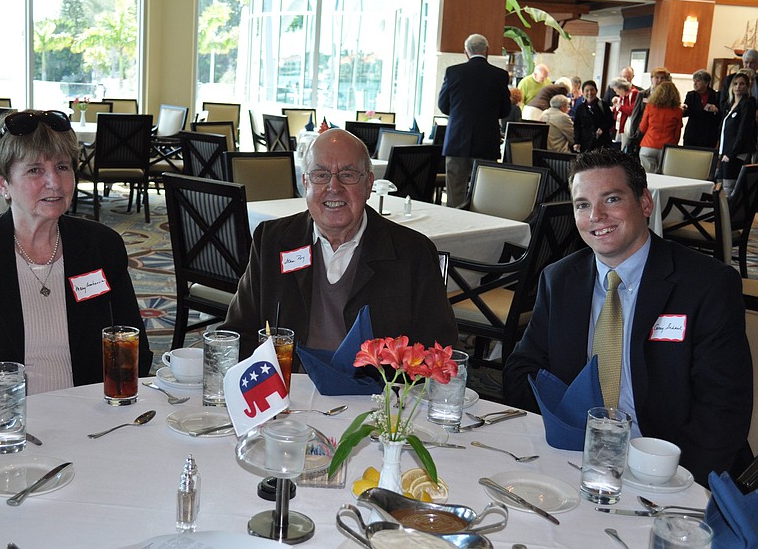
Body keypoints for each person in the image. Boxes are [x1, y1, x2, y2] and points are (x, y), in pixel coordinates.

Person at [503, 148, 753, 488]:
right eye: (583, 205)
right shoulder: (560, 280)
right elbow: (521, 372)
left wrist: (670, 480)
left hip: (673, 468)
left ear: (645, 204)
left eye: (611, 199)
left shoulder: (705, 285)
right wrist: (567, 431)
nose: (596, 216)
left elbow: (723, 410)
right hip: (577, 459)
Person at [0, 110, 153, 413]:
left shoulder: (101, 246)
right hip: (3, 428)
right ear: (2, 183)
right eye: (35, 170)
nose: (55, 182)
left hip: (93, 418)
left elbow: (134, 346)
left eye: (63, 166)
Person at [221, 128, 459, 363]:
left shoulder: (412, 252)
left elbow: (438, 350)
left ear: (369, 184)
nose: (333, 187)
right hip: (288, 390)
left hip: (376, 395)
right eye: (321, 175)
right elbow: (239, 334)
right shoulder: (273, 242)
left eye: (348, 174)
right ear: (305, 183)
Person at [437, 33, 511, 208]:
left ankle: (455, 228)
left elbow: (443, 105)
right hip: (487, 142)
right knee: (485, 193)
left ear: (466, 52)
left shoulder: (453, 72)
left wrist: (459, 115)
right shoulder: (500, 75)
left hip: (457, 140)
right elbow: (505, 110)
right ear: (487, 51)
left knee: (455, 193)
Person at [718, 69, 757, 196]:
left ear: (747, 87)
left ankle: (730, 215)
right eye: (735, 84)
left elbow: (743, 131)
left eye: (742, 84)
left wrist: (731, 153)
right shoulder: (730, 105)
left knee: (730, 188)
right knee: (720, 185)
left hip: (736, 153)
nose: (738, 87)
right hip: (725, 152)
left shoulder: (747, 104)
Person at [638, 81, 683, 174]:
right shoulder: (678, 111)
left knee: (649, 177)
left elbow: (642, 128)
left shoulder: (650, 107)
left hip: (648, 146)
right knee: (663, 177)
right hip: (667, 147)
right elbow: (677, 133)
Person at [626, 67, 671, 155]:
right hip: (641, 133)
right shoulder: (642, 94)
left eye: (662, 78)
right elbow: (635, 116)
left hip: (658, 135)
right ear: (651, 79)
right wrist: (633, 135)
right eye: (657, 77)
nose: (659, 80)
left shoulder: (670, 98)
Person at [681, 69, 720, 149]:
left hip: (708, 134)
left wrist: (716, 110)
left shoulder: (716, 95)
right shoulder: (691, 95)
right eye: (694, 81)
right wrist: (683, 109)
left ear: (706, 83)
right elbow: (686, 113)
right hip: (692, 133)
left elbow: (720, 115)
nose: (695, 84)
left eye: (698, 81)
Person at [573, 80, 615, 153]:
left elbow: (610, 121)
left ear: (596, 91)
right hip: (585, 143)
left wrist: (602, 128)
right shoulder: (580, 108)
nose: (590, 93)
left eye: (592, 90)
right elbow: (577, 126)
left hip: (602, 143)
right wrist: (577, 141)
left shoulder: (603, 105)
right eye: (587, 90)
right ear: (583, 93)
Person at [718, 48, 758, 118]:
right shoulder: (730, 79)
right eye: (746, 62)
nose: (748, 66)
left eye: (752, 63)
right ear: (742, 63)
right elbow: (723, 103)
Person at [609, 77, 640, 150]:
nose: (616, 93)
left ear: (622, 89)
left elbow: (632, 110)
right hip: (620, 126)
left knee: (624, 148)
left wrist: (620, 107)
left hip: (627, 126)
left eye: (617, 91)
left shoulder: (633, 93)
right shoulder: (623, 95)